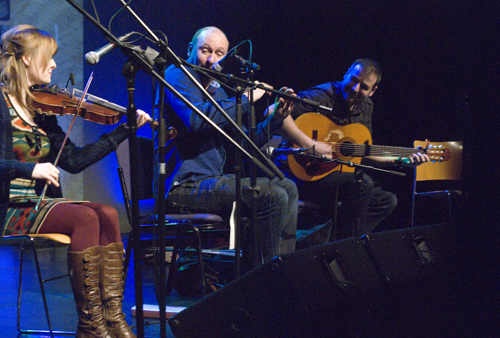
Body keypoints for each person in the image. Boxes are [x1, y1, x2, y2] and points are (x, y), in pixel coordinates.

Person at [0, 25, 151, 338]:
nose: (54, 64)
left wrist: (123, 130)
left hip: (40, 205)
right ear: (26, 59)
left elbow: (75, 162)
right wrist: (30, 170)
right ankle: (90, 325)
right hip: (10, 209)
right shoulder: (2, 106)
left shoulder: (42, 111)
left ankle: (112, 318)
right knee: (83, 217)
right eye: (48, 57)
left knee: (107, 214)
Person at [155, 26, 298, 265]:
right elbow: (197, 120)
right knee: (272, 195)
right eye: (205, 51)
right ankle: (260, 277)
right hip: (184, 185)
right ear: (191, 49)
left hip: (211, 182)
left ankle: (279, 267)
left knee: (288, 187)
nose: (212, 60)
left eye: (219, 53)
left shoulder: (218, 90)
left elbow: (242, 143)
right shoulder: (176, 74)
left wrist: (275, 120)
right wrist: (244, 99)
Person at [281, 58, 429, 239]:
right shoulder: (322, 95)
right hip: (301, 174)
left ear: (373, 91)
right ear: (346, 74)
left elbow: (362, 152)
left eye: (364, 87)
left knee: (386, 200)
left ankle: (333, 241)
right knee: (362, 183)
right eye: (353, 80)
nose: (355, 89)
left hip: (334, 178)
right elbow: (275, 112)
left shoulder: (366, 106)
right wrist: (309, 144)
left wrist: (400, 160)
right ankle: (348, 249)